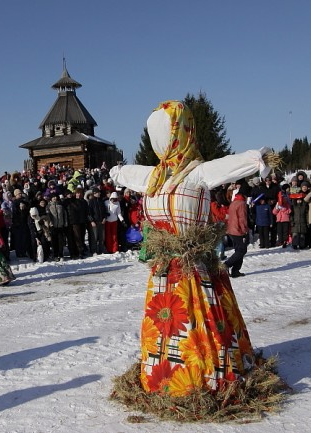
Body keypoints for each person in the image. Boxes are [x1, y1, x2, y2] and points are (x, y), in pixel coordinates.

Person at [110, 100, 271, 396]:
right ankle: (163, 374)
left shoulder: (197, 173)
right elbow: (124, 173)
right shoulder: (154, 176)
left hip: (193, 265)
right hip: (163, 268)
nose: (157, 141)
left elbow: (231, 165)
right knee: (166, 323)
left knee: (196, 321)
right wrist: (115, 172)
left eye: (162, 132)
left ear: (178, 133)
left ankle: (202, 375)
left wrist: (257, 158)